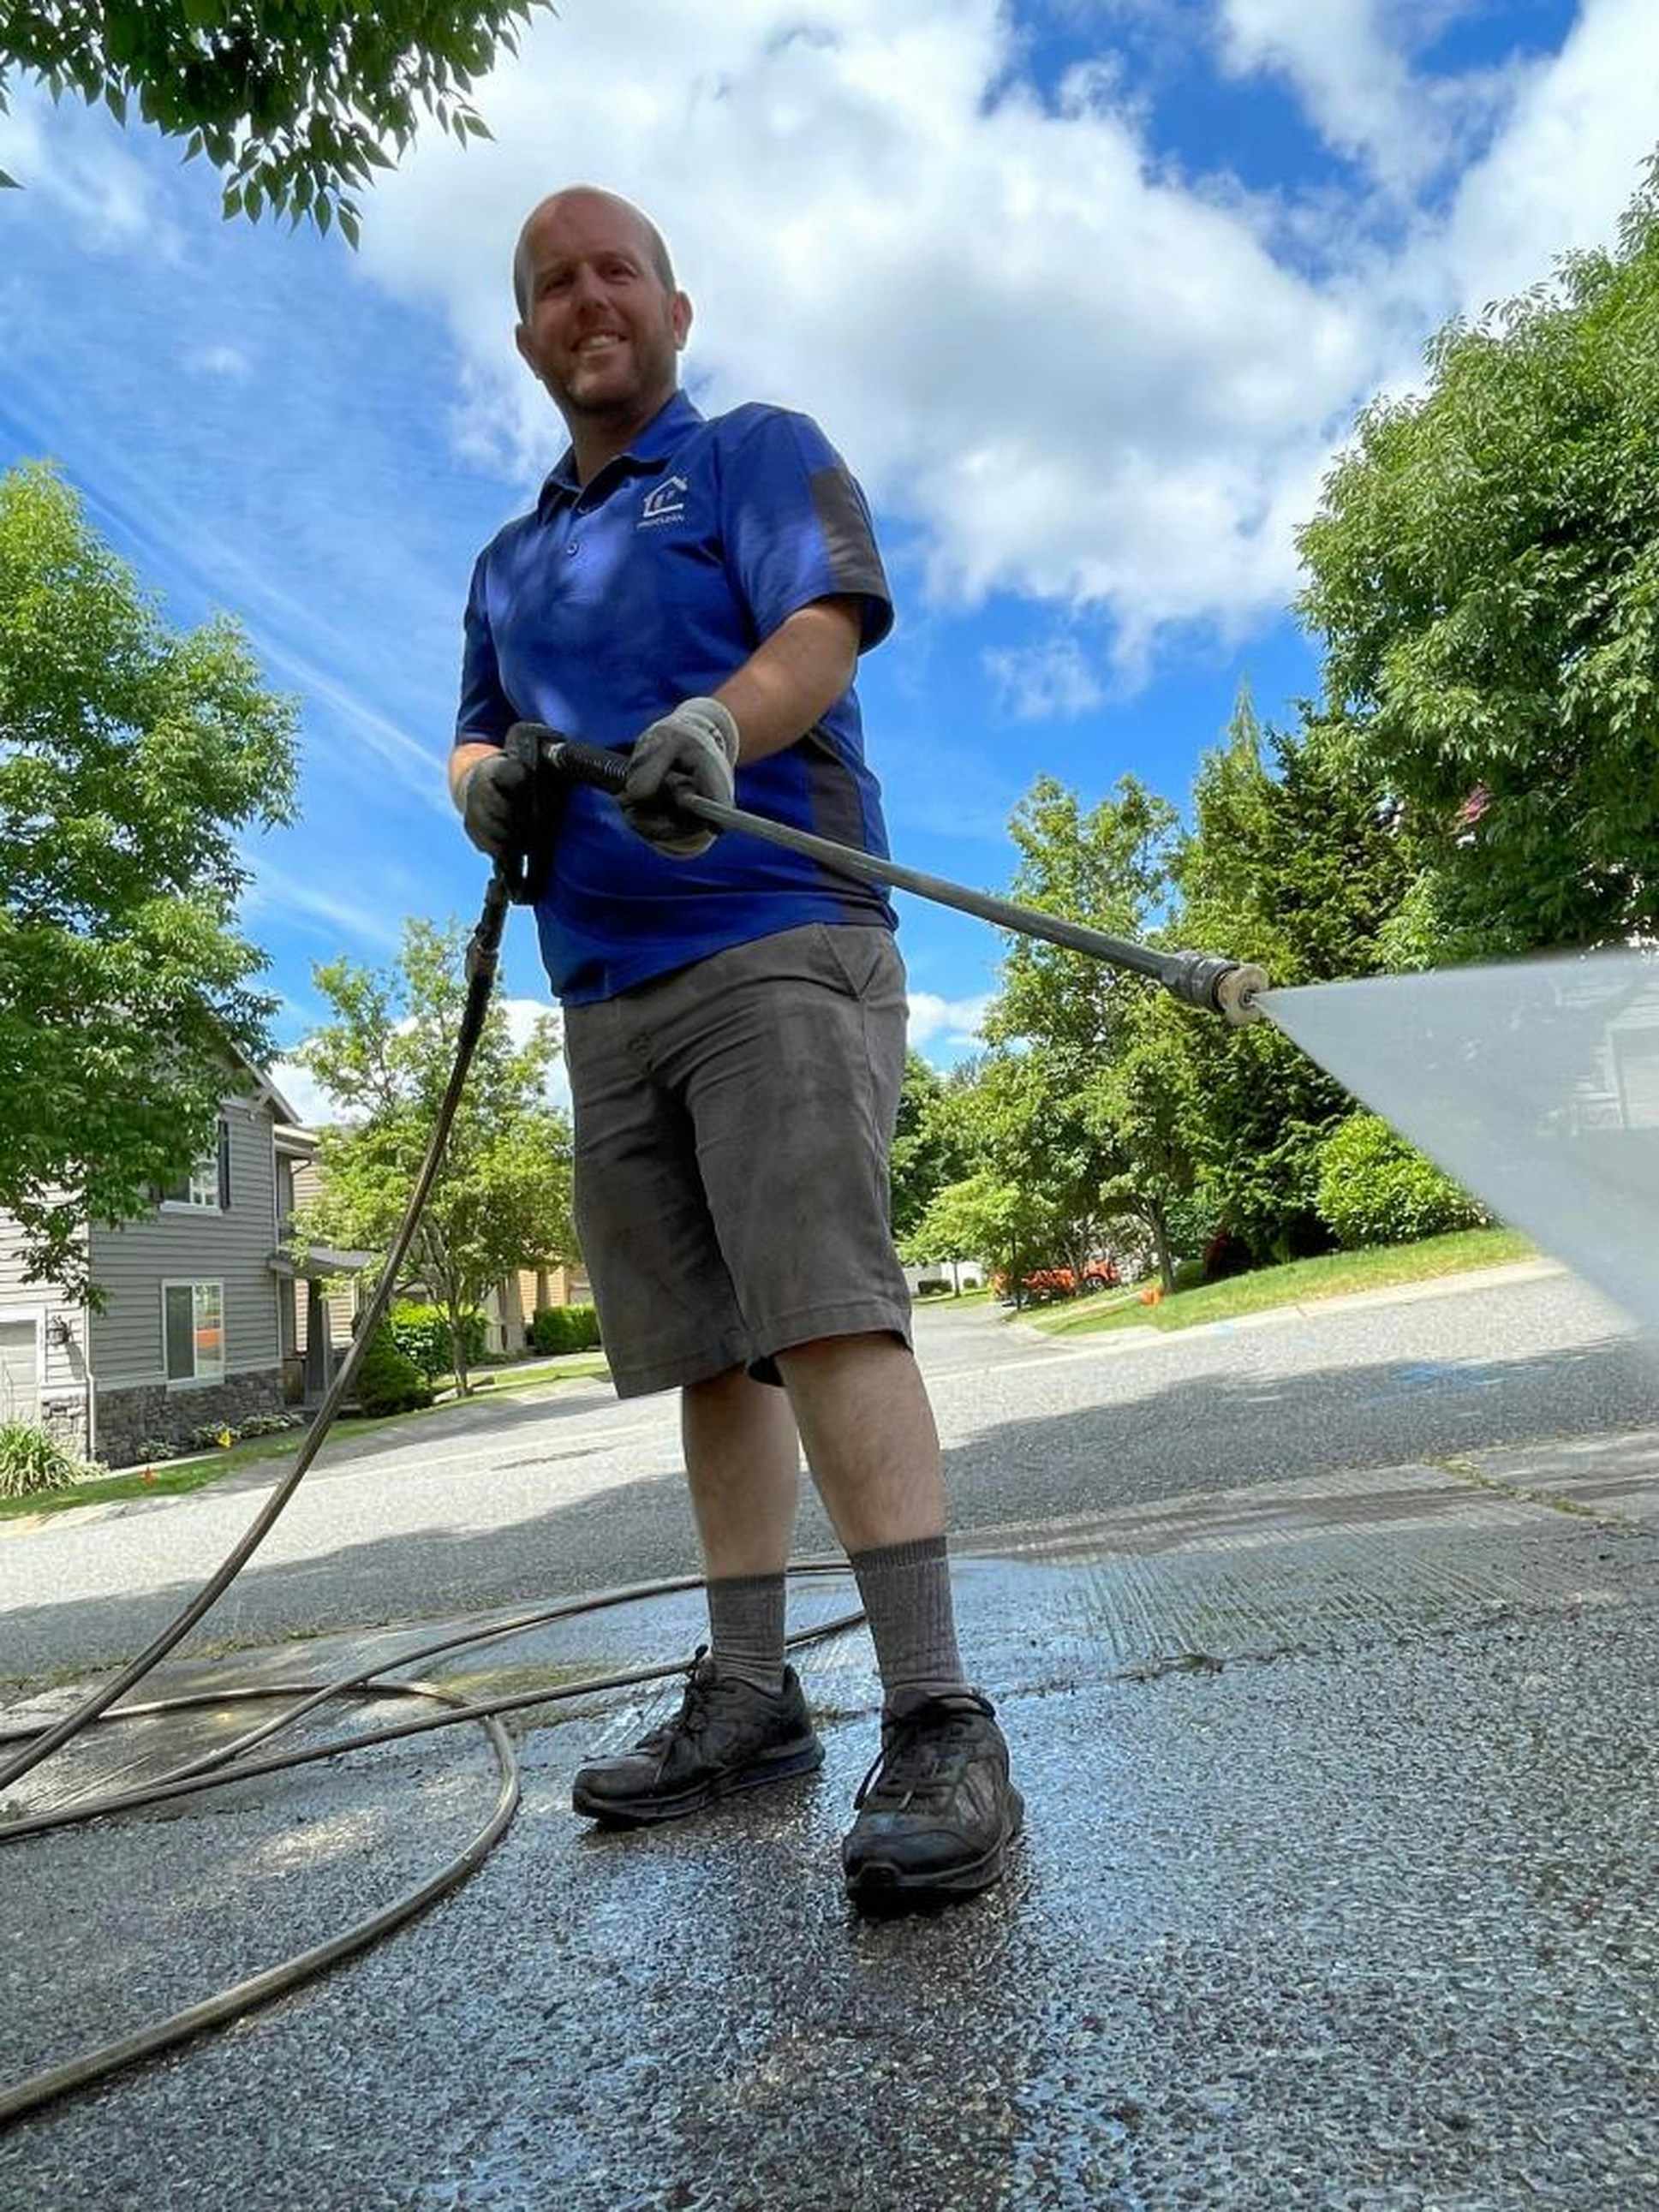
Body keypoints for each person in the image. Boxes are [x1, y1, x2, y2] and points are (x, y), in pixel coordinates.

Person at [450, 185, 1021, 1908]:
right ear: (527, 337)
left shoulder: (752, 453)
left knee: (823, 1310)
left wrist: (714, 722)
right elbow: (470, 739)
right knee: (710, 1353)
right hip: (604, 989)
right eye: (555, 283)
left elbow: (820, 628)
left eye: (615, 270)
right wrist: (493, 790)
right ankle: (753, 1694)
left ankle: (937, 1709)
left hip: (775, 932)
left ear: (674, 309)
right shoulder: (508, 562)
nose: (588, 298)